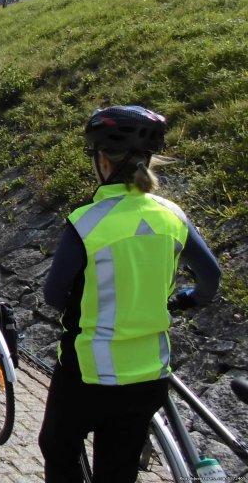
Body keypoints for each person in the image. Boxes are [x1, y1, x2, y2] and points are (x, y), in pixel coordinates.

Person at [38, 105, 222, 483]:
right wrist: (186, 298)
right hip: (150, 373)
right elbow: (211, 279)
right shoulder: (172, 215)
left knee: (58, 448)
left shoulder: (86, 221)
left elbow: (54, 295)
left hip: (87, 373)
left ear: (102, 159)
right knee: (118, 469)